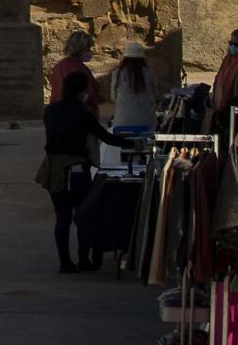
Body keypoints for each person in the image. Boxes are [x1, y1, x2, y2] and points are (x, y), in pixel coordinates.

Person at [41, 68, 125, 273]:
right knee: (84, 215)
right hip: (76, 169)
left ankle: (65, 262)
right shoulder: (82, 114)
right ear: (81, 92)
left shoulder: (50, 111)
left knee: (62, 217)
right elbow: (106, 137)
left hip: (53, 168)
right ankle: (84, 258)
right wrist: (132, 143)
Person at [105, 43, 156, 145]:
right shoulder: (149, 73)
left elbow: (113, 97)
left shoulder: (117, 73)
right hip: (146, 124)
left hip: (122, 123)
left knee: (124, 151)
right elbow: (153, 94)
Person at [46, 31, 94, 106]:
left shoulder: (59, 66)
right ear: (79, 49)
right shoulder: (80, 69)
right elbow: (89, 94)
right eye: (88, 49)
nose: (91, 52)